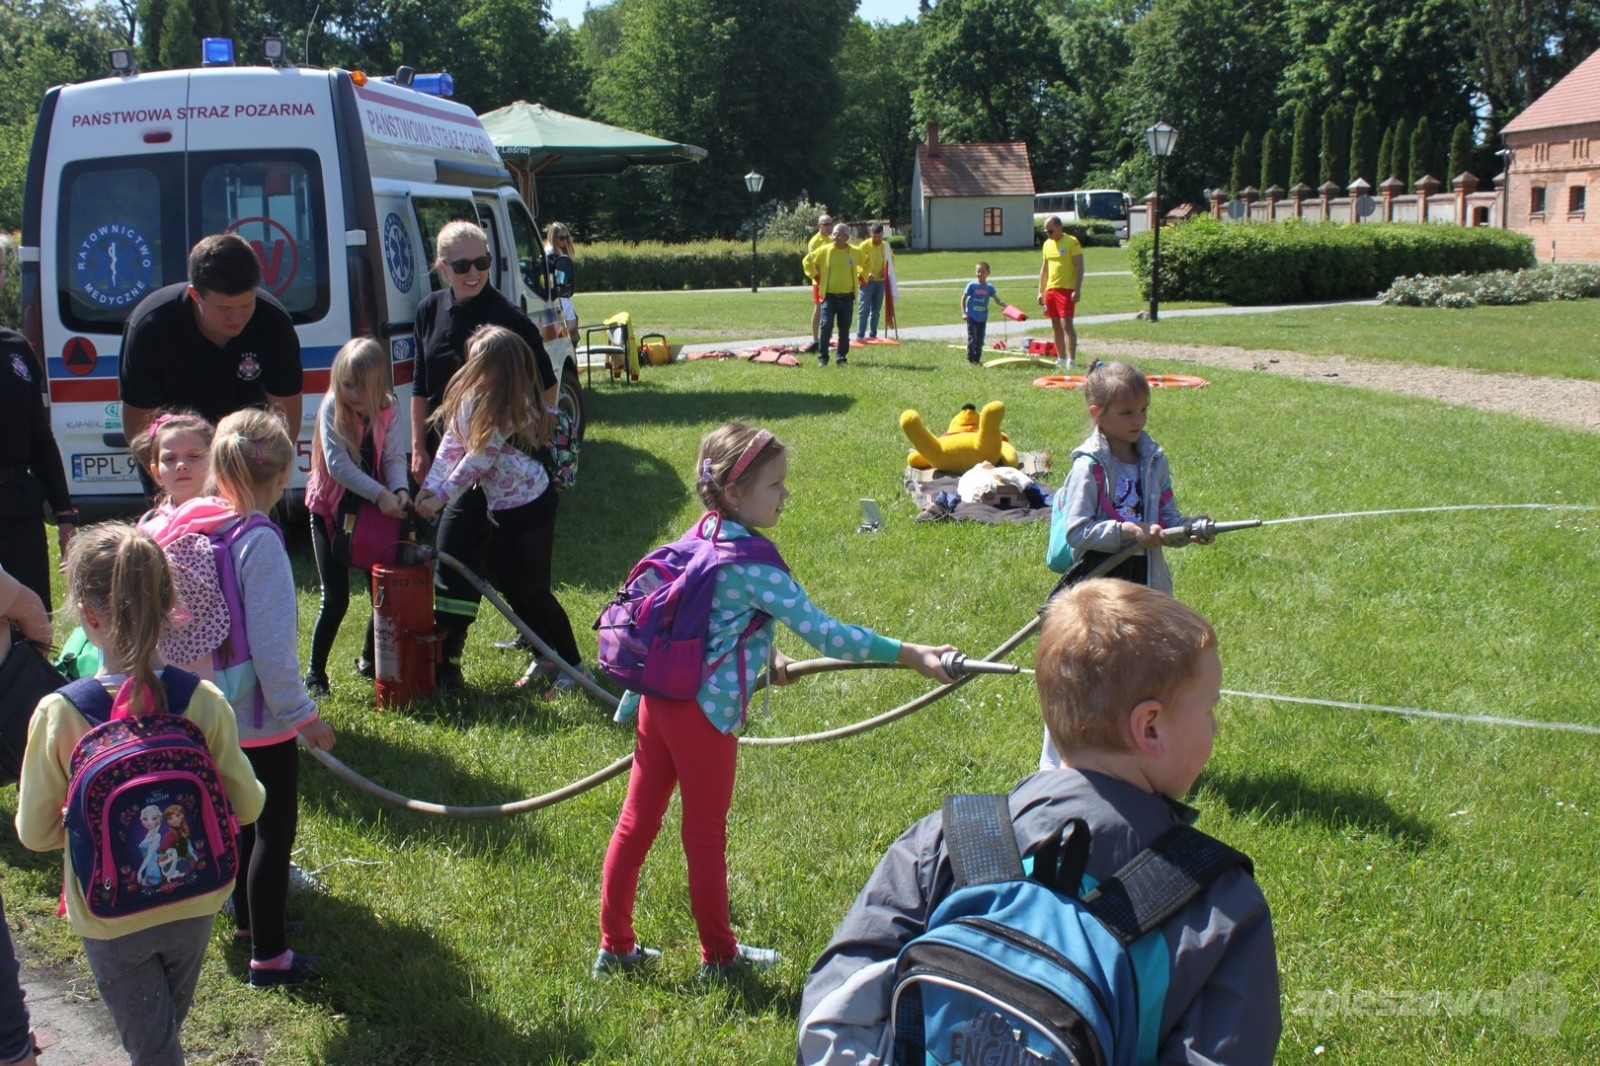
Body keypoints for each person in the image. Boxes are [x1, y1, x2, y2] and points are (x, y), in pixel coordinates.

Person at [798, 580, 1281, 1066]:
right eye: (1209, 709)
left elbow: (836, 1002)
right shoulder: (1219, 907)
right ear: (1149, 727)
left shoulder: (946, 836)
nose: (1215, 726)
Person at [594, 422, 957, 980]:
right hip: (704, 719)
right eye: (775, 484)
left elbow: (710, 618)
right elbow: (830, 635)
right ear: (735, 492)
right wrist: (910, 654)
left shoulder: (705, 531)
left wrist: (767, 652)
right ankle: (720, 957)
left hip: (658, 702)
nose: (786, 493)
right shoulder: (754, 564)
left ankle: (614, 947)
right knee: (704, 838)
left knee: (635, 823)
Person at [15, 522, 265, 1064]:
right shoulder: (203, 700)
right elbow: (248, 806)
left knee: (152, 1044)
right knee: (162, 1029)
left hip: (109, 911)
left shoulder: (60, 712)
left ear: (86, 614)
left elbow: (35, 834)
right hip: (196, 895)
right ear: (170, 606)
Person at [209, 409, 335, 987]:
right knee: (272, 832)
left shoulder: (209, 526)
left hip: (217, 710)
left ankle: (246, 921)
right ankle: (270, 955)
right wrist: (302, 716)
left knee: (239, 821)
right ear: (283, 473)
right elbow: (272, 649)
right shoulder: (259, 542)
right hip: (262, 719)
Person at [1043, 360, 1209, 769]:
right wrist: (1125, 531)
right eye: (1127, 412)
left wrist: (1189, 529)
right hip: (1098, 584)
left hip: (1143, 585)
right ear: (1097, 413)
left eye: (1144, 410)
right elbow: (1077, 531)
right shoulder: (1089, 467)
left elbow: (1166, 517)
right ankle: (1056, 763)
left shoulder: (1153, 459)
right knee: (1083, 670)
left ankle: (1128, 759)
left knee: (1137, 672)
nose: (1139, 420)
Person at [410, 220, 558, 670]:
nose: (473, 272)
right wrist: (419, 447)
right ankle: (526, 641)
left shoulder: (508, 318)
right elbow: (421, 384)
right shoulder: (429, 310)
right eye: (462, 266)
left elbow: (547, 386)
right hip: (452, 450)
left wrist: (525, 429)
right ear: (441, 267)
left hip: (494, 463)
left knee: (458, 552)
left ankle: (450, 657)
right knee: (488, 563)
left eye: (482, 262)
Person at [413, 326, 586, 694]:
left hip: (532, 506)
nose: (470, 367)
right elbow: (451, 446)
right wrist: (429, 486)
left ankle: (574, 667)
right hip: (500, 509)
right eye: (471, 358)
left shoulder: (511, 407)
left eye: (480, 362)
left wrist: (440, 498)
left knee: (535, 591)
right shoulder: (469, 398)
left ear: (501, 368)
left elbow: (478, 458)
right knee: (513, 589)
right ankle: (544, 655)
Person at [118, 233, 303, 480]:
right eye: (224, 308)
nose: (237, 317)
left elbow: (285, 420)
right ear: (195, 295)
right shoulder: (151, 327)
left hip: (246, 463)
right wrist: (170, 482)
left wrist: (269, 475)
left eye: (246, 305)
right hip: (178, 467)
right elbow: (139, 427)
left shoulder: (274, 323)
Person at [303, 338, 411, 696]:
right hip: (330, 511)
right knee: (336, 598)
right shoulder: (332, 406)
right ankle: (315, 674)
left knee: (382, 590)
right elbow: (338, 466)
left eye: (361, 387)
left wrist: (399, 490)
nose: (352, 394)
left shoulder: (389, 408)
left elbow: (393, 458)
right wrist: (381, 494)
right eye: (347, 385)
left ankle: (370, 659)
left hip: (371, 516)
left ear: (379, 384)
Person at [0, 234, 77, 608]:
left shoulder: (15, 348)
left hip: (18, 507)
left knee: (31, 618)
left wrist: (64, 514)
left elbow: (40, 437)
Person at [802, 224, 861, 367]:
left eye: (839, 234)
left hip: (847, 297)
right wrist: (815, 276)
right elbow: (807, 261)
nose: (835, 237)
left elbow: (867, 262)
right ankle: (823, 359)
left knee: (844, 330)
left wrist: (862, 276)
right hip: (829, 297)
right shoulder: (824, 250)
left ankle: (841, 358)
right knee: (826, 326)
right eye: (834, 234)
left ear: (846, 237)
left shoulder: (855, 252)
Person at [1038, 215, 1085, 370]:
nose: (1048, 234)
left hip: (1066, 289)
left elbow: (1080, 267)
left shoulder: (1072, 242)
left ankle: (1071, 360)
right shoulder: (1047, 245)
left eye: (1050, 231)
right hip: (1051, 289)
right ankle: (1061, 358)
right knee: (1055, 325)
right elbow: (1044, 269)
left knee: (1067, 324)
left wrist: (1077, 289)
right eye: (1046, 232)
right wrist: (1041, 291)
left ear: (1059, 227)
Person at [961, 260, 1005, 365]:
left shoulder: (989, 288)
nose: (980, 274)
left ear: (988, 273)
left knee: (980, 340)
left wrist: (1007, 307)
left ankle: (977, 359)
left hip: (982, 318)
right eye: (978, 271)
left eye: (982, 271)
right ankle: (971, 359)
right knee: (973, 339)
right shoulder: (971, 285)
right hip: (971, 317)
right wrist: (964, 313)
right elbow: (963, 298)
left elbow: (998, 301)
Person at [544, 221, 580, 347]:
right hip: (556, 295)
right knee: (571, 329)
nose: (565, 240)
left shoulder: (560, 253)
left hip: (562, 293)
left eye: (566, 237)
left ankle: (571, 349)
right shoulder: (549, 255)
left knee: (574, 327)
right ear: (553, 237)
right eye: (561, 238)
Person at [801, 213, 833, 354]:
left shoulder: (831, 239)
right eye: (825, 224)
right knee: (819, 308)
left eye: (830, 224)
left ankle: (827, 338)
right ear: (819, 225)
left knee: (830, 309)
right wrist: (819, 277)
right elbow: (814, 262)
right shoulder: (815, 241)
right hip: (819, 280)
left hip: (831, 279)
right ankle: (815, 339)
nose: (829, 227)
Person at [854, 224, 889, 342]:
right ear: (871, 234)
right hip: (866, 282)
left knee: (876, 310)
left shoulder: (886, 246)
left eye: (879, 236)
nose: (877, 239)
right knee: (864, 309)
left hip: (880, 282)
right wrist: (865, 274)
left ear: (883, 234)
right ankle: (860, 336)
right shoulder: (863, 246)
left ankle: (873, 335)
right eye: (875, 237)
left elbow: (891, 261)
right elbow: (856, 263)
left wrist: (885, 270)